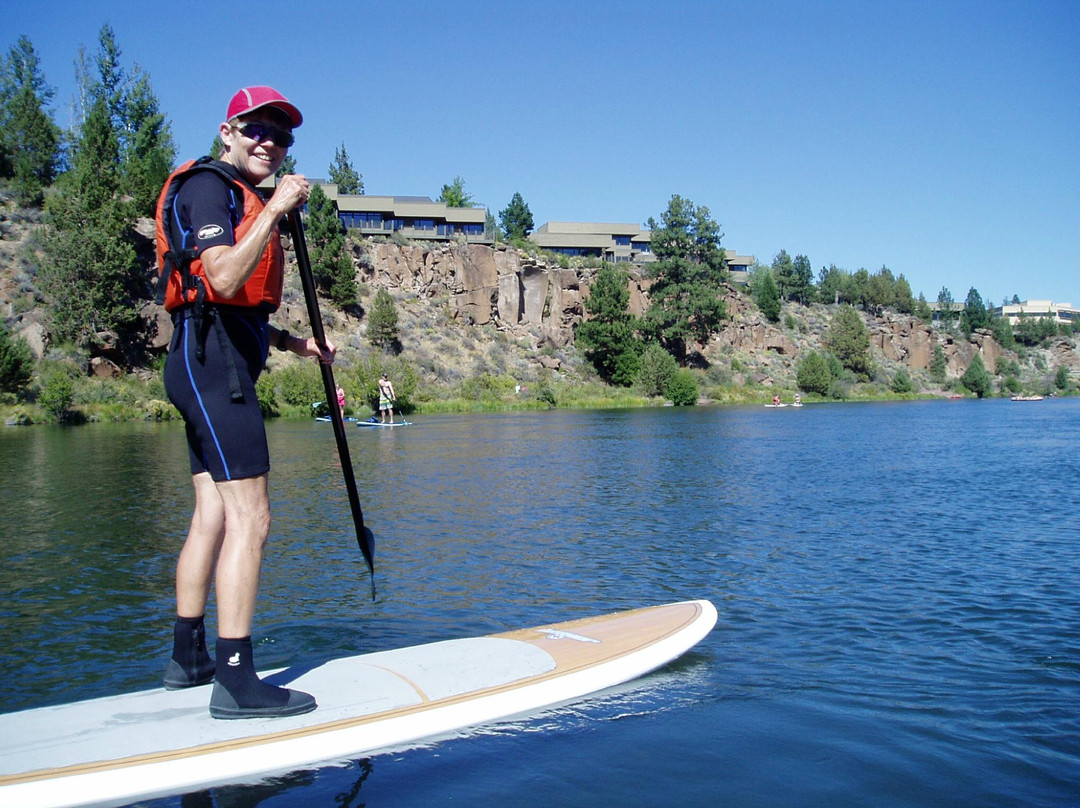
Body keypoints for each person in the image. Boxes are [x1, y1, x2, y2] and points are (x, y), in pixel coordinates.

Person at [158, 86, 334, 719]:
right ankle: (235, 680)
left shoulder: (240, 196)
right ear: (228, 131)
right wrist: (278, 206)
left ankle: (190, 656)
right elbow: (224, 276)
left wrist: (294, 342)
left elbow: (234, 309)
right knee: (252, 518)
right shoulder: (210, 188)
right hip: (214, 372)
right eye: (257, 129)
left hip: (209, 361)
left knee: (213, 512)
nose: (270, 143)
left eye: (282, 136)